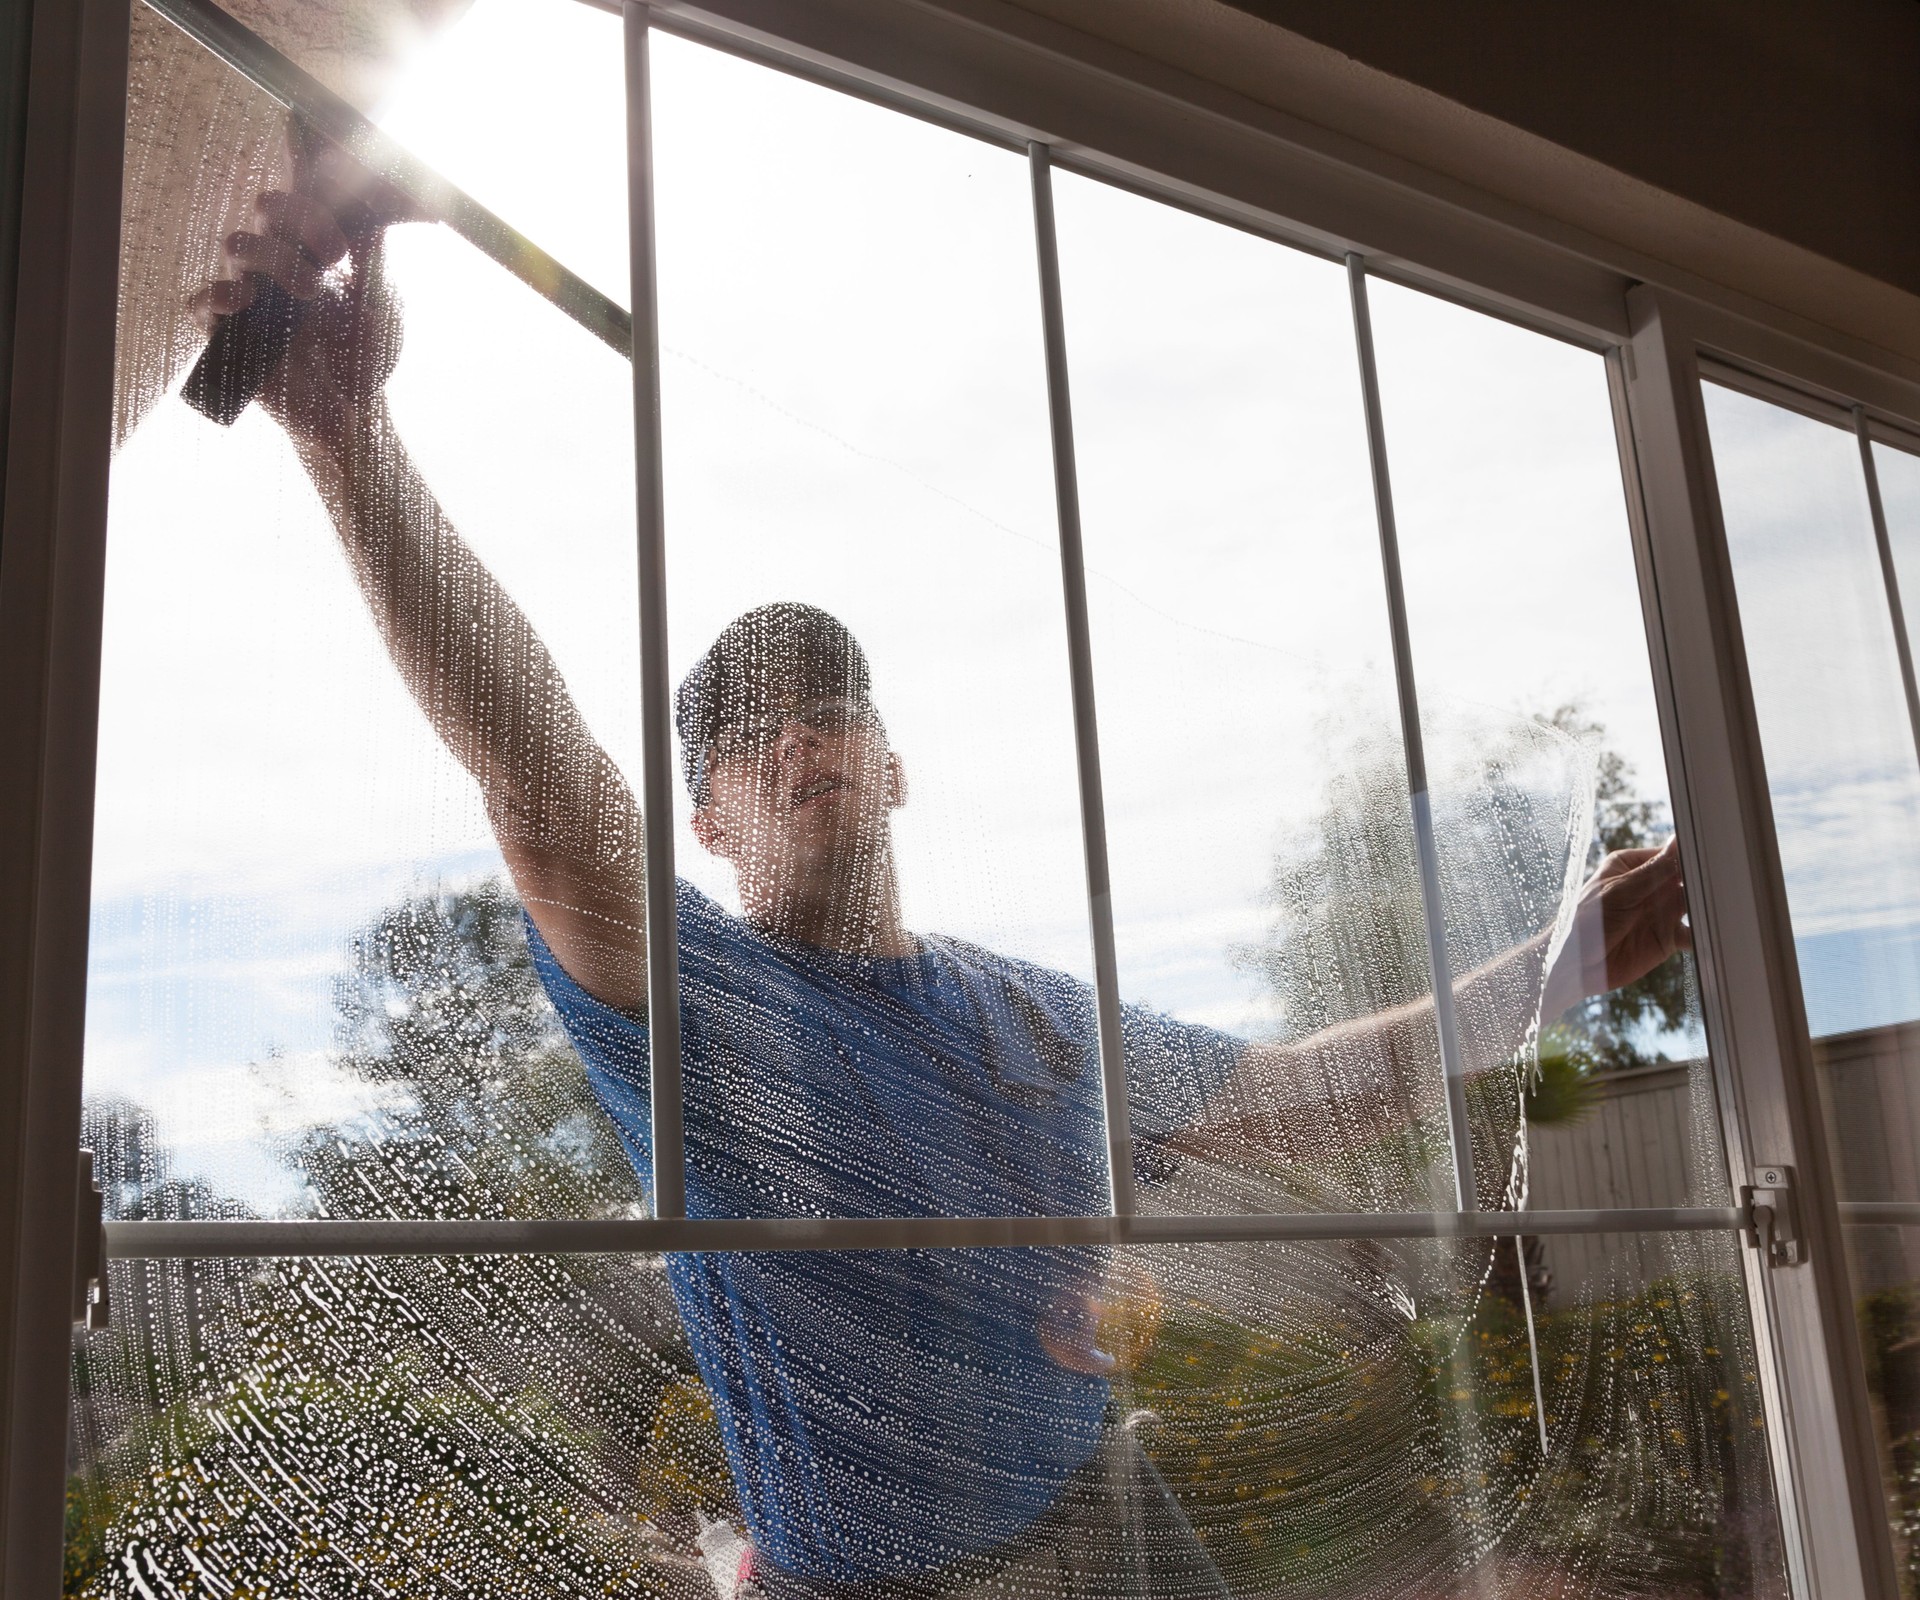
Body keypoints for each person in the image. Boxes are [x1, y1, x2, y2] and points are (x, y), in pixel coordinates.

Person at [197, 151, 1691, 1599]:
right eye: (742, 735)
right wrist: (348, 437)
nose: (793, 736)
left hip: (1114, 1524)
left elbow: (1295, 1093)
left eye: (828, 702)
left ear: (895, 765)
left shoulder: (1026, 1013)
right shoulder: (697, 1003)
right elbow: (542, 780)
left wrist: (1557, 963)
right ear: (704, 822)